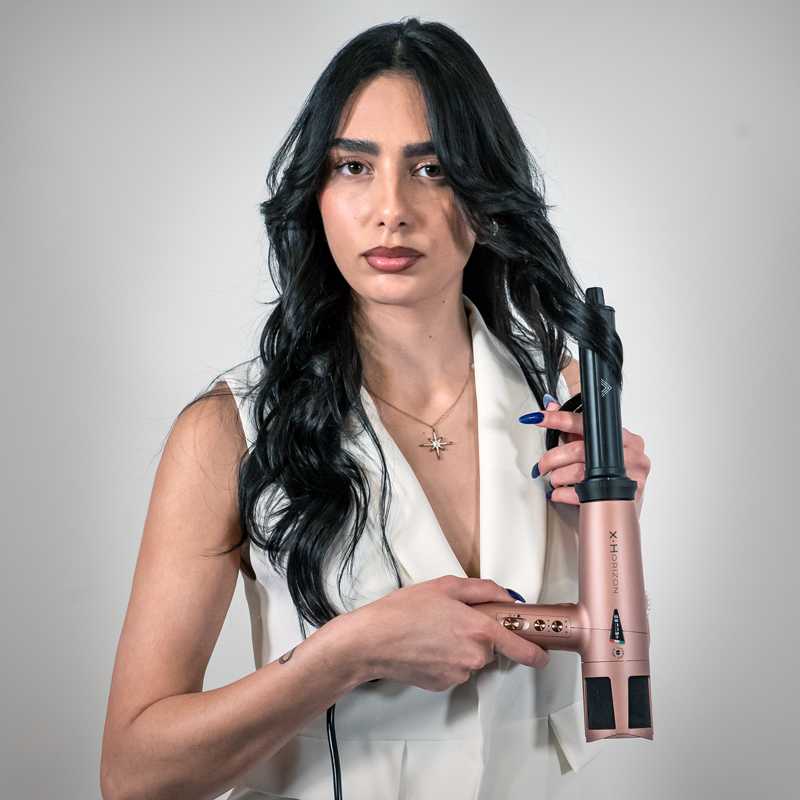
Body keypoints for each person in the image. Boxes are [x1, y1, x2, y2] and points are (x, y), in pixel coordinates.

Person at [100, 17, 651, 800]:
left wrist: (608, 529)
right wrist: (345, 655)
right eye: (354, 167)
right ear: (317, 194)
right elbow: (133, 774)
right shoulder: (229, 433)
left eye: (432, 169)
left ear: (486, 196)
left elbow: (616, 670)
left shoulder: (559, 399)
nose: (391, 208)